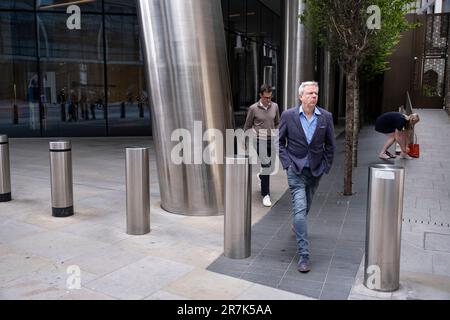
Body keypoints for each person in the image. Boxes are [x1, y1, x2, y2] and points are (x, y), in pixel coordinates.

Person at [278, 81, 336, 273]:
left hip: (316, 171)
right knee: (300, 208)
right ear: (301, 96)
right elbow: (280, 143)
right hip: (295, 170)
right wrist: (287, 164)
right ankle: (304, 255)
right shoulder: (288, 116)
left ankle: (297, 225)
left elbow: (330, 145)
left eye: (316, 94)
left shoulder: (325, 117)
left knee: (306, 207)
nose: (314, 96)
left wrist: (326, 165)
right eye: (310, 93)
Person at [244, 84, 280, 207]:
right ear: (260, 95)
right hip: (259, 140)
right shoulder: (253, 108)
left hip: (272, 139)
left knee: (270, 167)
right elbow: (248, 125)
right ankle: (266, 195)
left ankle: (261, 176)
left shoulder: (275, 106)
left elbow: (277, 123)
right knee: (266, 164)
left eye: (270, 97)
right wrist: (244, 141)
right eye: (266, 97)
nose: (268, 100)